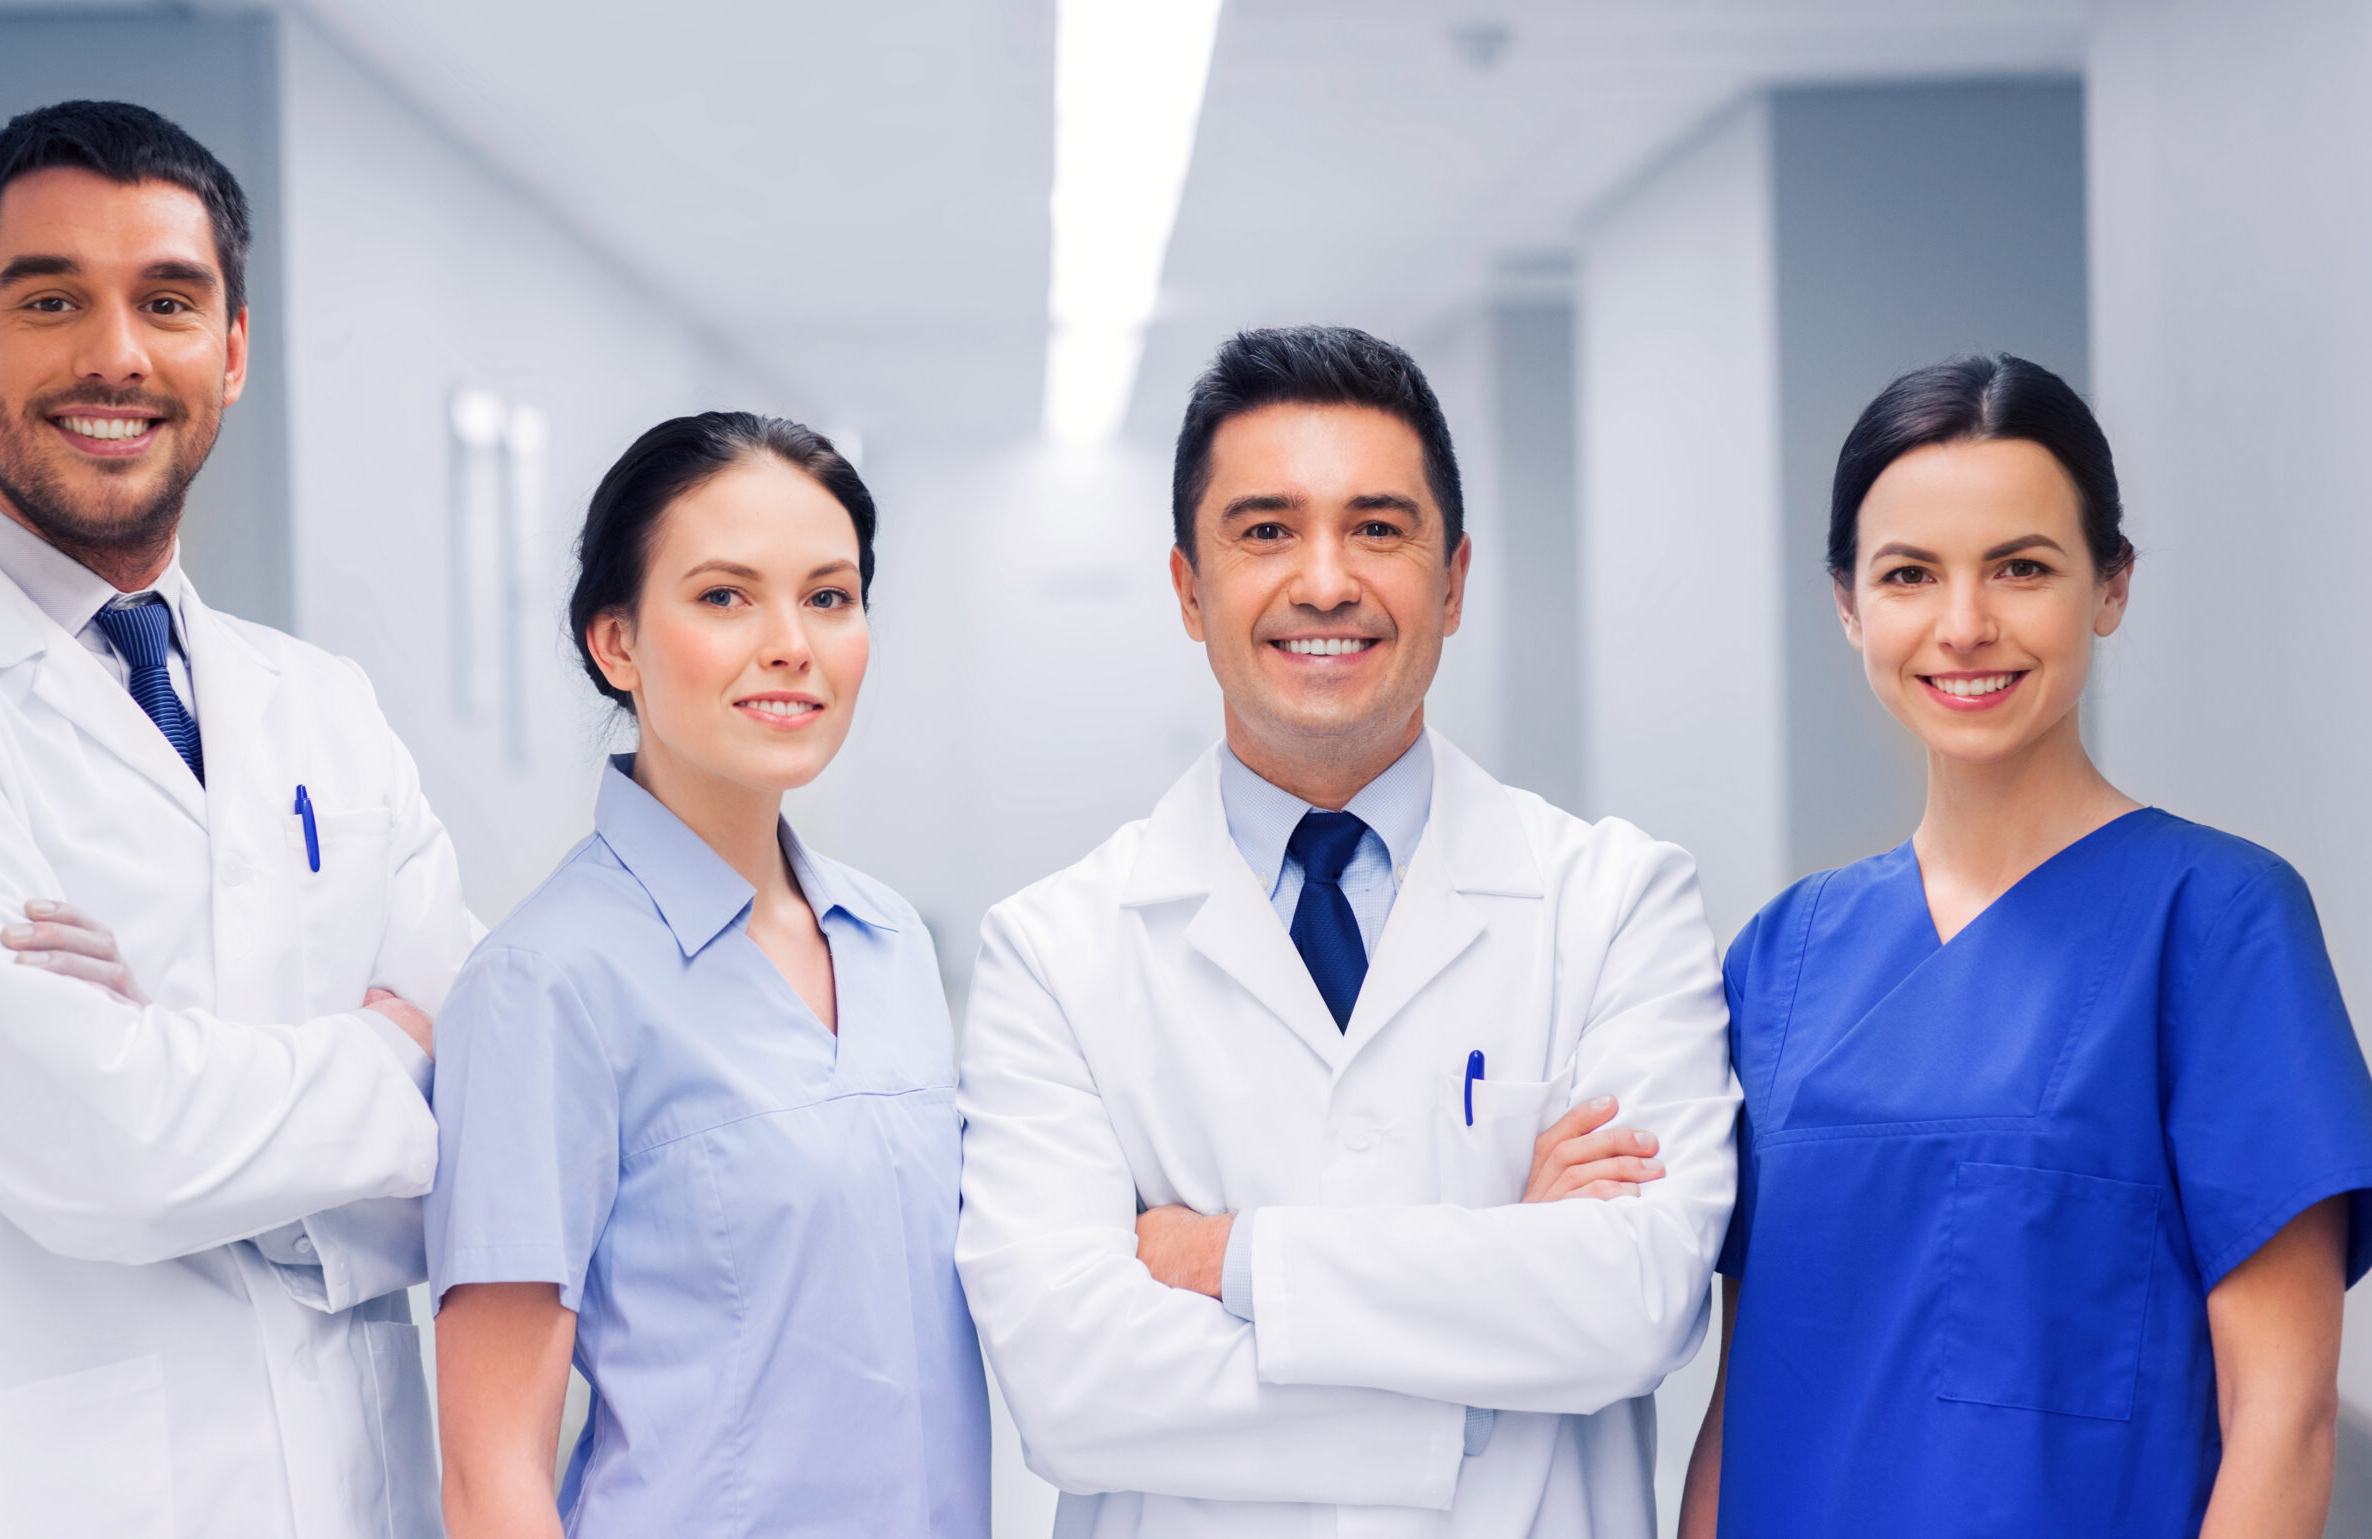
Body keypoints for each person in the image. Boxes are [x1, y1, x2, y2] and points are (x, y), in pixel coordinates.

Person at [956, 325, 1741, 1537]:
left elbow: (1634, 1302)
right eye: (1264, 531)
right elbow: (1073, 1390)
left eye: (1377, 528)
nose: (1324, 581)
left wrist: (1227, 1262)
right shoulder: (1053, 951)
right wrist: (1487, 1327)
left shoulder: (1614, 900)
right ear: (1187, 588)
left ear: (1454, 578)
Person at [0, 102, 472, 1539]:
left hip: (359, 1495)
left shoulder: (326, 708)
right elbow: (103, 1147)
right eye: (50, 299)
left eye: (167, 301)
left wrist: (178, 1076)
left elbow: (490, 1135)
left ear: (231, 352)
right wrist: (380, 1054)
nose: (115, 352)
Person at [1677, 355, 2372, 1537]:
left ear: (2109, 586)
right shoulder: (1782, 956)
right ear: (1848, 605)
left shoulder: (2217, 924)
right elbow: (1746, 1393)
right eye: (1908, 574)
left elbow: (2285, 1420)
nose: (1963, 625)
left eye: (2021, 567)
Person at [424, 413, 988, 1539]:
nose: (790, 644)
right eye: (725, 597)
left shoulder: (890, 944)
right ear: (616, 644)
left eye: (829, 597)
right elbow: (492, 1482)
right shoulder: (546, 984)